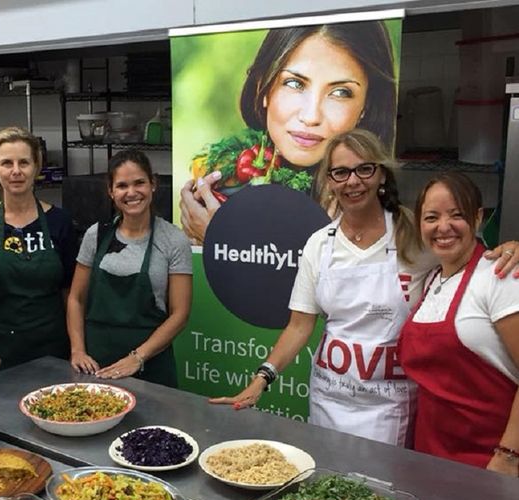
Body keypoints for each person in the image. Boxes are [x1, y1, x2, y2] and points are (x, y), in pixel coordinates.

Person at [212, 130, 519, 444]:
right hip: (329, 400)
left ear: (381, 174)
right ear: (329, 181)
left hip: (390, 408)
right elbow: (299, 326)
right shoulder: (319, 245)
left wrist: (509, 249)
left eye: (364, 169)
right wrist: (262, 378)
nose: (353, 181)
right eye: (341, 172)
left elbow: (461, 253)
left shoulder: (413, 233)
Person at [181, 22, 397, 244]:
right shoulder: (226, 176)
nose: (311, 116)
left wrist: (221, 239)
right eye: (294, 83)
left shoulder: (372, 211)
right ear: (263, 87)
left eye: (340, 92)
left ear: (366, 107)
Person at [398, 173, 519, 475]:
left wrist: (508, 456)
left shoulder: (500, 277)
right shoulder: (432, 279)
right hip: (430, 456)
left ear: (477, 218)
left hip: (489, 460)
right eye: (431, 217)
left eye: (457, 215)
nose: (443, 227)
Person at [67, 150, 193, 388]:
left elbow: (180, 314)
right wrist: (78, 350)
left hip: (151, 366)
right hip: (96, 364)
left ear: (153, 184)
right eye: (122, 185)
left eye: (139, 183)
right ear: (111, 191)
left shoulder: (173, 240)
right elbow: (76, 299)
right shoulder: (96, 235)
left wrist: (137, 358)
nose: (131, 192)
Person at [0, 127, 77, 373]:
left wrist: (76, 349)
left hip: (53, 350)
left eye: (24, 162)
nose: (16, 171)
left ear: (37, 167)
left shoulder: (60, 221)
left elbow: (70, 294)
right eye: (7, 163)